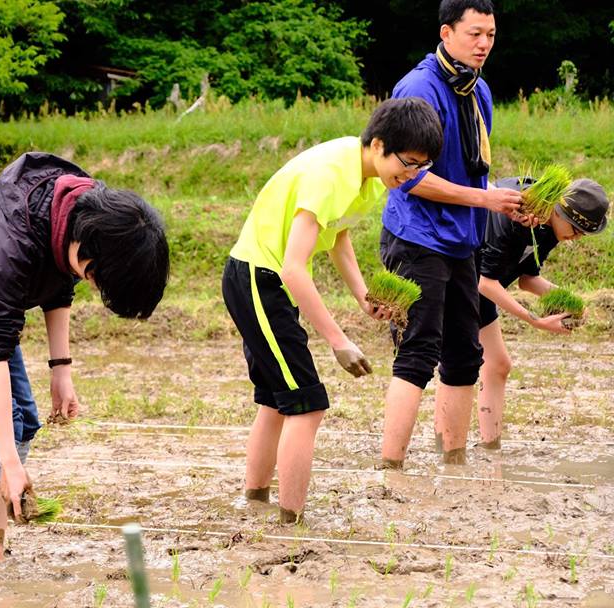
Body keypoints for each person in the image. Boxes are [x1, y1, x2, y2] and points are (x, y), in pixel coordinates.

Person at [0, 152, 169, 584]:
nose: (91, 284)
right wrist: (10, 463)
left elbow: (62, 283)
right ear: (91, 257)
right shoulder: (13, 239)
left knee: (24, 422)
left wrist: (61, 371)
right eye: (98, 280)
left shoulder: (82, 213)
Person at [221, 97, 443, 524]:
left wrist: (363, 295)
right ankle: (292, 522)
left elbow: (337, 236)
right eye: (409, 163)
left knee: (275, 399)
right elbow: (293, 269)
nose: (411, 175)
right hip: (258, 278)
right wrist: (338, 341)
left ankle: (255, 500)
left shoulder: (369, 177)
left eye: (421, 167)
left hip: (259, 279)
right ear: (379, 145)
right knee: (307, 404)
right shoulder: (330, 174)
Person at [378, 0, 528, 469]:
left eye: (491, 35)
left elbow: (475, 168)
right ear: (447, 33)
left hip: (464, 239)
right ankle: (391, 468)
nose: (484, 44)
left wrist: (507, 202)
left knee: (466, 354)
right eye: (474, 34)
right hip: (417, 237)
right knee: (419, 352)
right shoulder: (419, 88)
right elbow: (405, 174)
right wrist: (485, 200)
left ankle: (454, 461)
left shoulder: (478, 91)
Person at [476, 177, 610, 448]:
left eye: (583, 233)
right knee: (459, 366)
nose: (576, 237)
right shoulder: (514, 215)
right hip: (459, 284)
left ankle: (490, 446)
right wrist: (535, 321)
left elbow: (527, 278)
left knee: (498, 365)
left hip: (481, 290)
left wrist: (569, 301)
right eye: (576, 229)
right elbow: (484, 281)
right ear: (560, 210)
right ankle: (452, 451)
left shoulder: (550, 226)